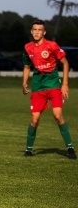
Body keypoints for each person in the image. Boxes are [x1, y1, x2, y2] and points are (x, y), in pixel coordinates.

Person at [22, 19, 76, 159]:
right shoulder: (28, 47)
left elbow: (65, 63)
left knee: (58, 116)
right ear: (31, 31)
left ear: (44, 32)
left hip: (53, 85)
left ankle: (70, 148)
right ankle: (28, 150)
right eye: (35, 29)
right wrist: (24, 83)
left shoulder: (52, 46)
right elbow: (27, 66)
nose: (37, 32)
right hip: (38, 86)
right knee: (35, 119)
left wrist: (65, 84)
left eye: (40, 30)